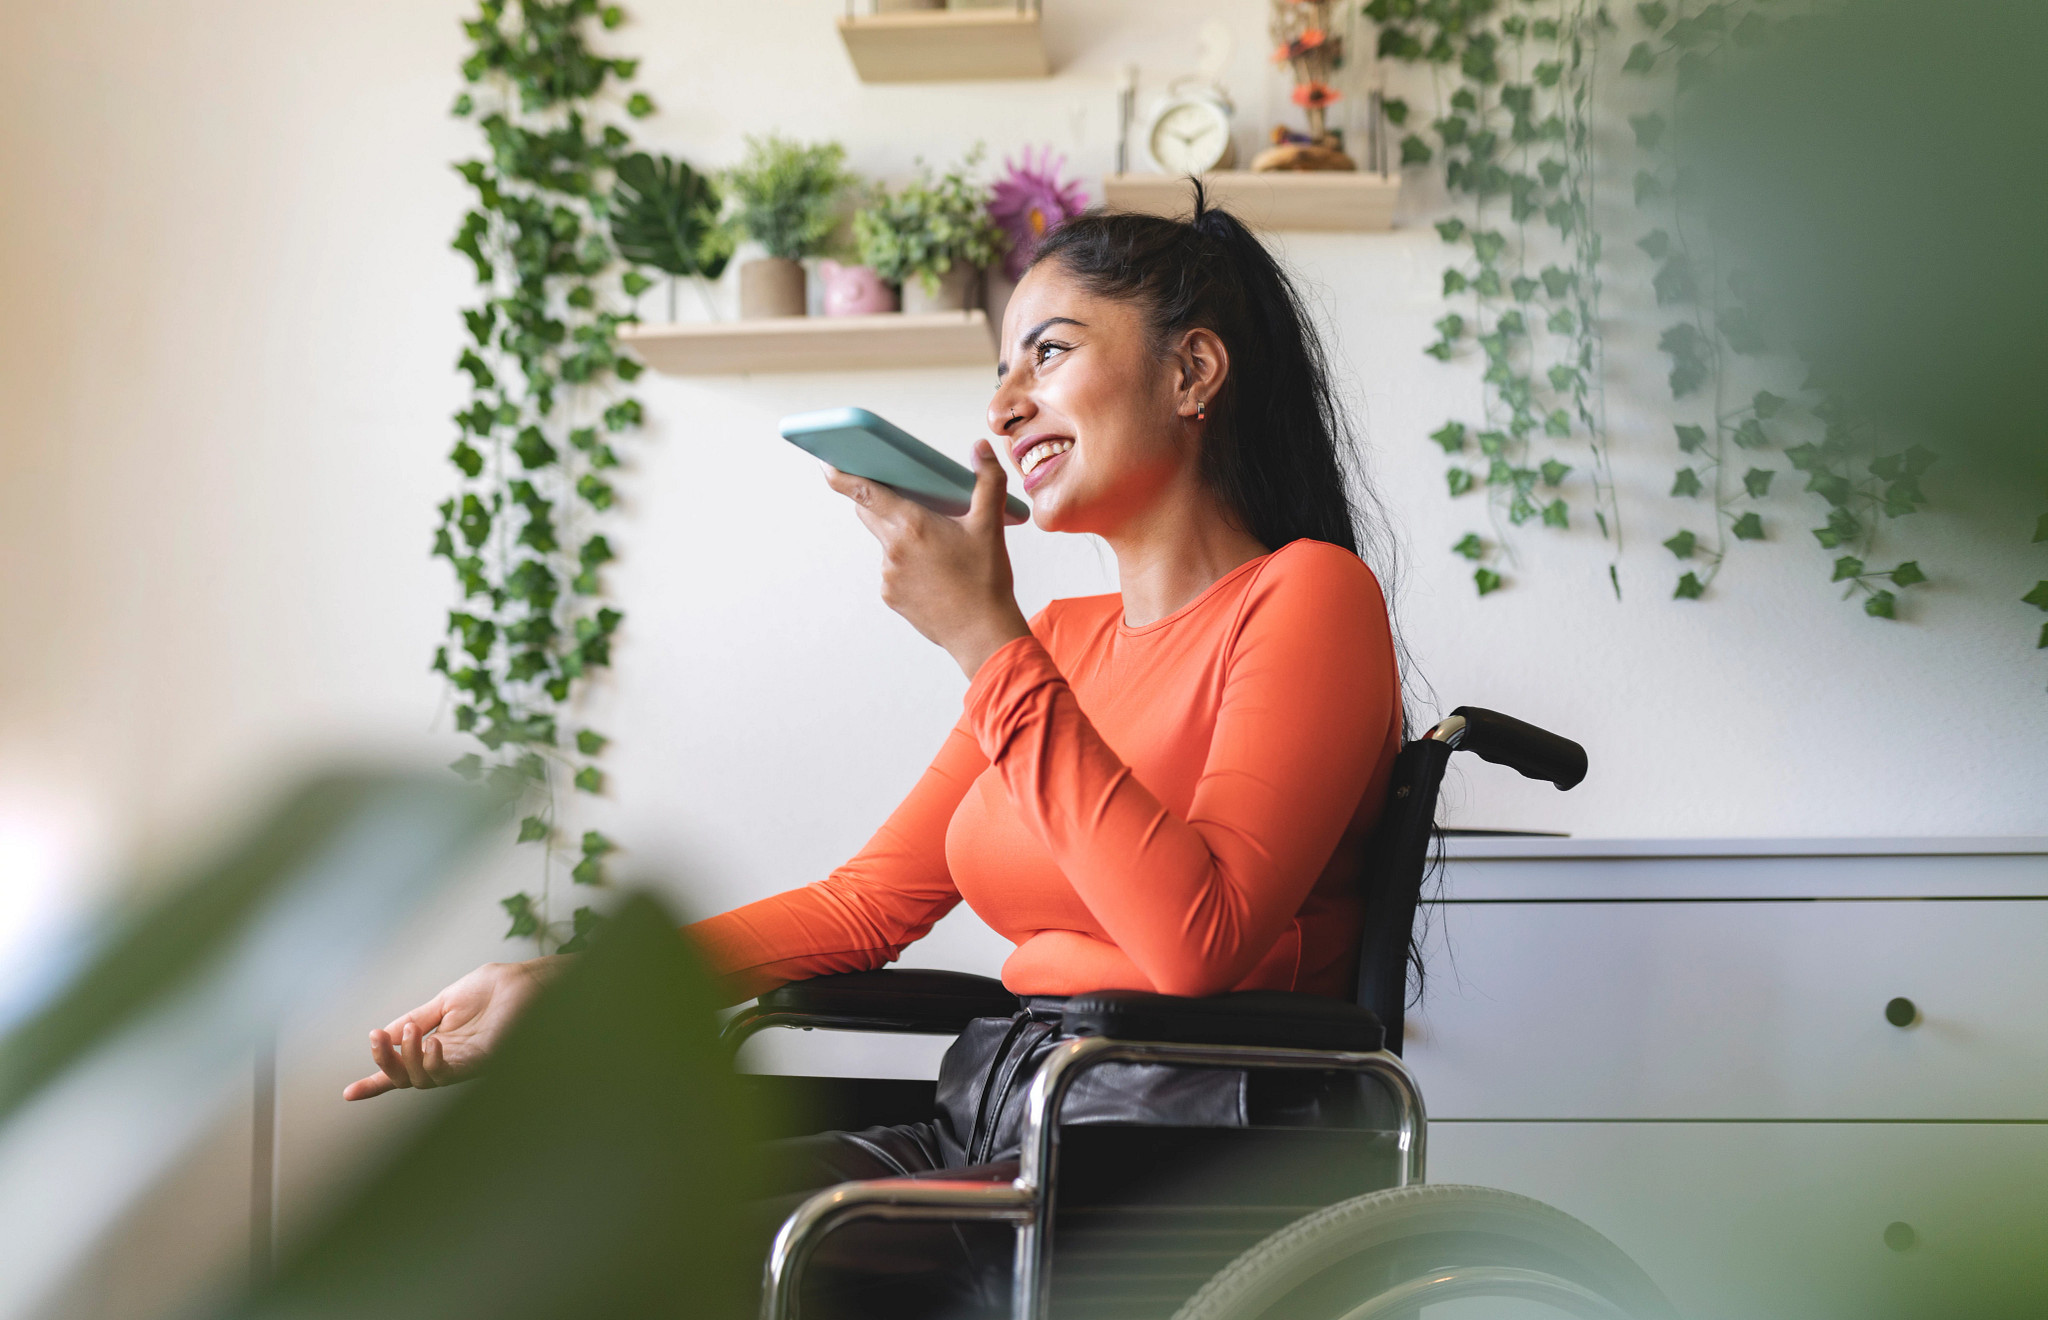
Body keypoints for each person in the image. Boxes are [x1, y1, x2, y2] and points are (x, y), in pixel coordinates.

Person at [345, 188, 1405, 1303]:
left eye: (1044, 354)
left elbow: (1199, 944)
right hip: (995, 1116)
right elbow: (867, 906)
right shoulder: (1062, 641)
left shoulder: (1306, 598)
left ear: (1190, 373)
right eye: (1000, 370)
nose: (1004, 406)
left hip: (1167, 1156)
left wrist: (983, 639)